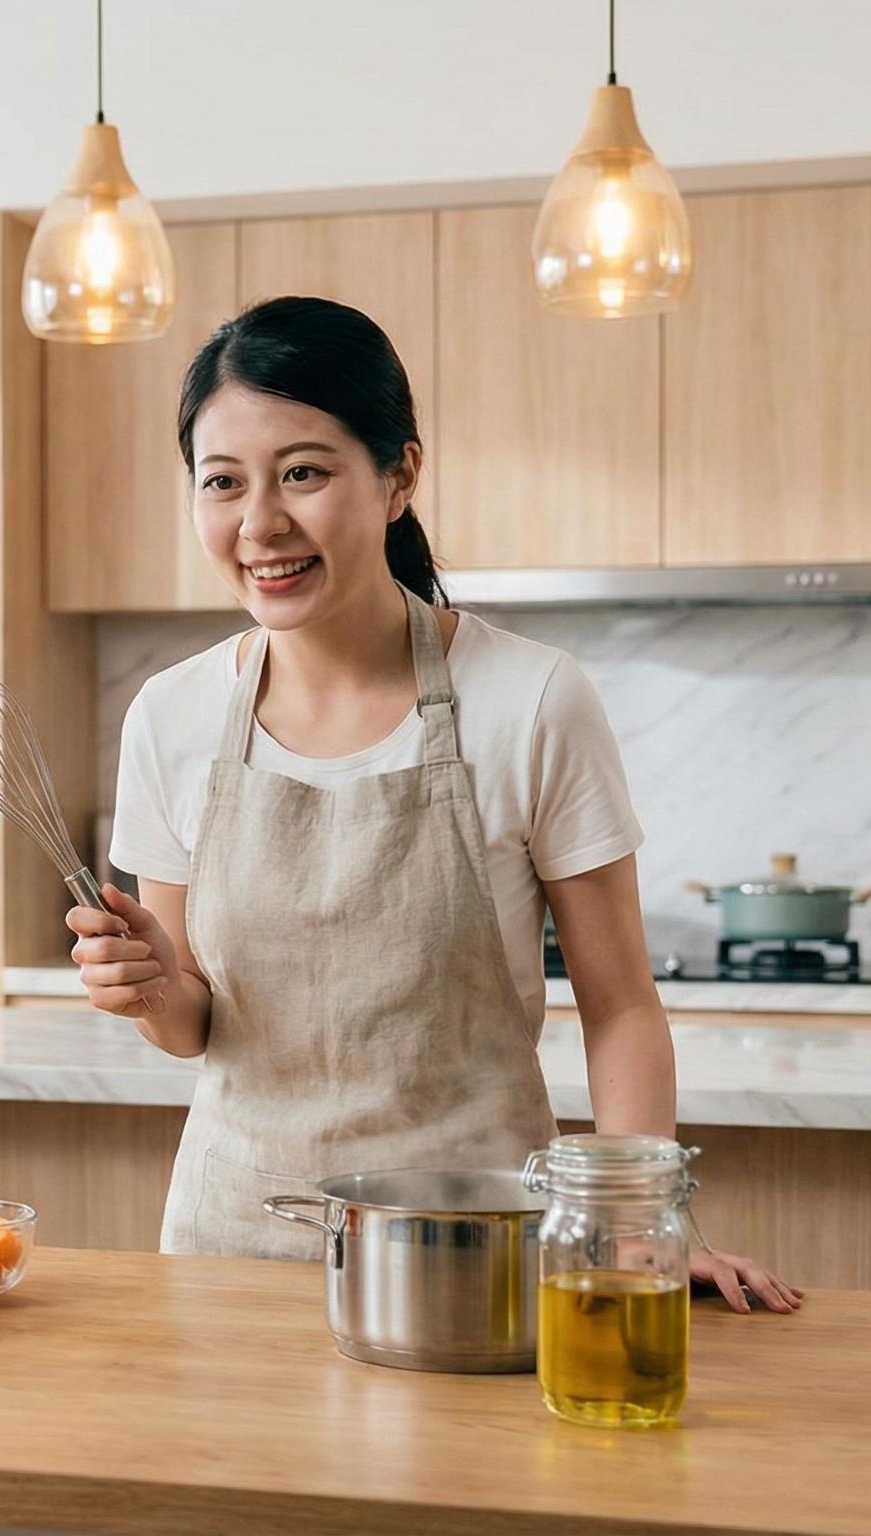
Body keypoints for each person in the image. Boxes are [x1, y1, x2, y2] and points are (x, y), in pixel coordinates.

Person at [69, 296, 798, 1314]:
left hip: (474, 1255)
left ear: (398, 475)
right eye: (222, 483)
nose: (260, 522)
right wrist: (147, 989)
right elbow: (195, 1025)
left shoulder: (531, 699)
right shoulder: (172, 715)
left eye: (304, 472)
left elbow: (621, 1006)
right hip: (229, 1257)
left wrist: (637, 1229)